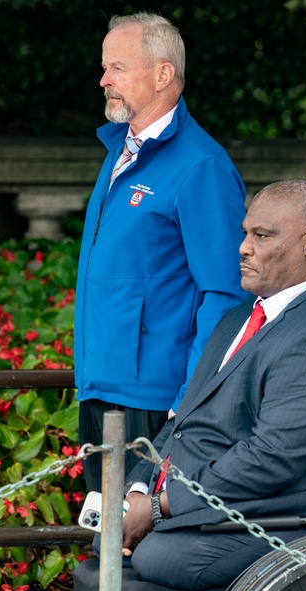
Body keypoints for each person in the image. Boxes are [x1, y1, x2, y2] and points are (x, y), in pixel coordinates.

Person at [104, 179, 306, 590]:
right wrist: (138, 488)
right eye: (245, 233)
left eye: (262, 236)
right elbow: (183, 422)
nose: (243, 247)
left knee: (158, 555)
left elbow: (271, 457)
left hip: (272, 516)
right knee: (111, 536)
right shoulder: (239, 317)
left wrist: (158, 508)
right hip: (203, 505)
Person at [74, 12, 251, 493]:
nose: (104, 79)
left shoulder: (202, 166)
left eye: (117, 67)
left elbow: (227, 294)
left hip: (154, 401)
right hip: (99, 388)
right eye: (105, 67)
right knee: (105, 548)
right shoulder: (120, 149)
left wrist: (190, 398)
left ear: (163, 74)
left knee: (137, 556)